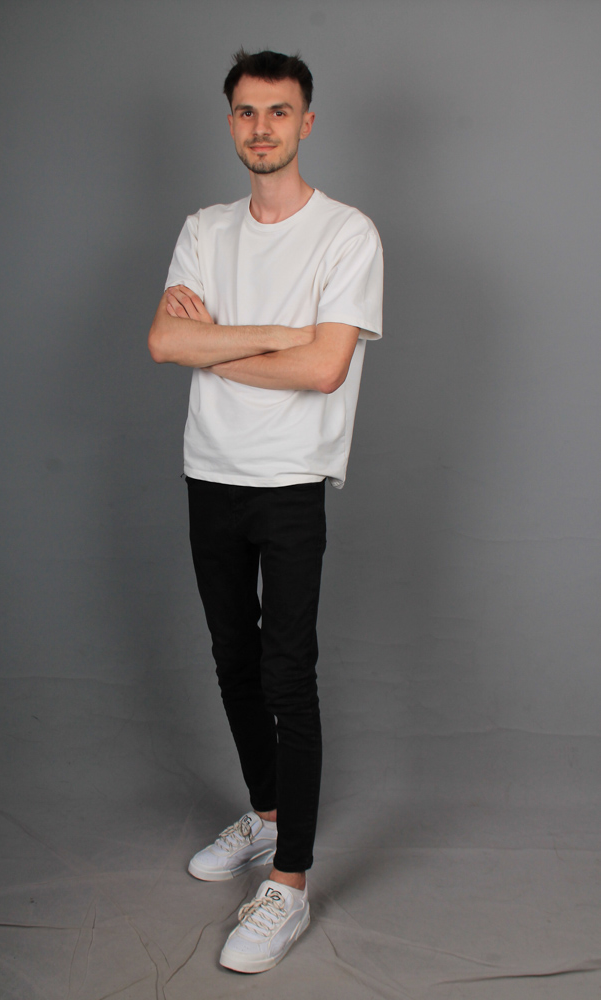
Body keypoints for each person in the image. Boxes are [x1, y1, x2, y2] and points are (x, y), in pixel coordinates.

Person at [148, 48, 383, 973]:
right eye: (247, 112)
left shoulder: (347, 234)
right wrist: (278, 334)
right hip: (209, 471)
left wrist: (216, 342)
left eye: (278, 112)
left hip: (290, 479)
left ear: (306, 123)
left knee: (288, 672)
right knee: (231, 658)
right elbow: (164, 341)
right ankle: (268, 812)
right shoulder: (204, 230)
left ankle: (289, 883)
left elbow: (324, 368)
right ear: (231, 123)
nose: (261, 128)